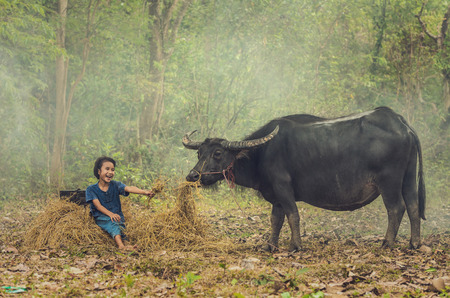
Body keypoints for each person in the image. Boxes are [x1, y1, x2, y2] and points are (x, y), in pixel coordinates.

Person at [86, 156, 154, 251]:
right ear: (99, 171)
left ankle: (127, 245)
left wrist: (144, 192)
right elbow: (97, 206)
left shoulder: (116, 185)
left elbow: (129, 188)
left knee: (121, 229)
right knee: (113, 223)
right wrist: (111, 214)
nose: (110, 172)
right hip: (102, 217)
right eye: (107, 169)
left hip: (117, 217)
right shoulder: (91, 189)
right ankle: (121, 246)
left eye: (112, 170)